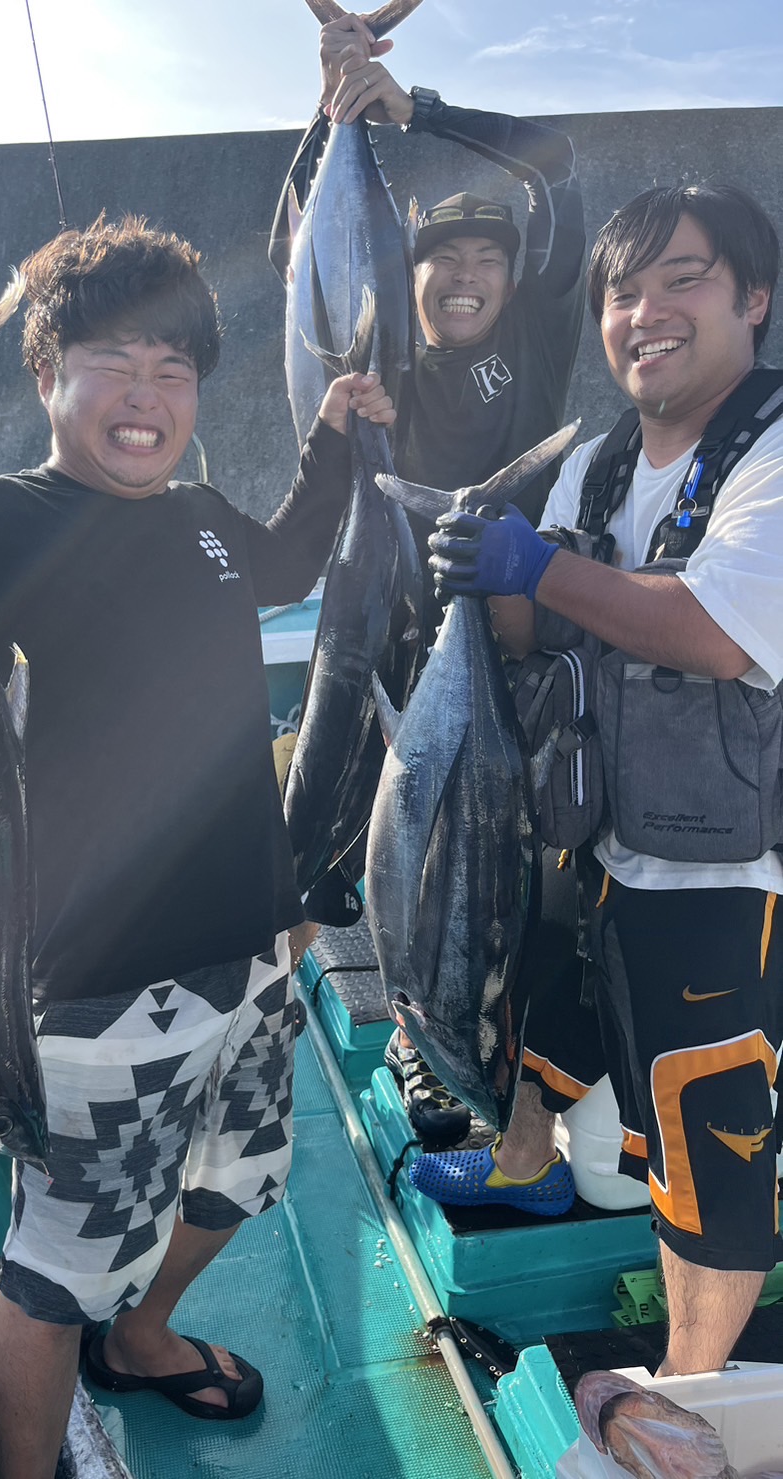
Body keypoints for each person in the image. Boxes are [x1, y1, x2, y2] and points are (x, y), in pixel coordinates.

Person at [0, 216, 396, 1478]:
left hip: (251, 953)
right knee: (58, 1273)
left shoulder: (204, 517)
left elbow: (279, 556)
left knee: (242, 1178)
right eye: (113, 361)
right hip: (105, 989)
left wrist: (332, 433)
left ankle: (148, 1338)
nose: (145, 397)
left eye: (174, 370)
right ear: (47, 374)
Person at [421, 182, 783, 1375]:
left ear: (753, 300)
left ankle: (688, 1387)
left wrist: (534, 561)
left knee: (703, 1137)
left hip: (730, 878)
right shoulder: (597, 456)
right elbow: (542, 635)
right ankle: (525, 1169)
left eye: (681, 279)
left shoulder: (773, 449)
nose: (644, 311)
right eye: (621, 292)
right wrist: (476, 579)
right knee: (546, 1011)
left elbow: (713, 634)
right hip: (595, 835)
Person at [270, 9, 587, 1145]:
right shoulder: (373, 352)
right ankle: (275, 1013)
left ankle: (474, 1037)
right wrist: (331, 104)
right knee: (316, 828)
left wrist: (416, 113)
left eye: (483, 259)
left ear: (513, 274)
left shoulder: (544, 337)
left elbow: (559, 170)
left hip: (501, 614)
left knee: (500, 850)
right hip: (371, 606)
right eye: (438, 260)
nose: (461, 276)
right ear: (399, 280)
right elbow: (299, 253)